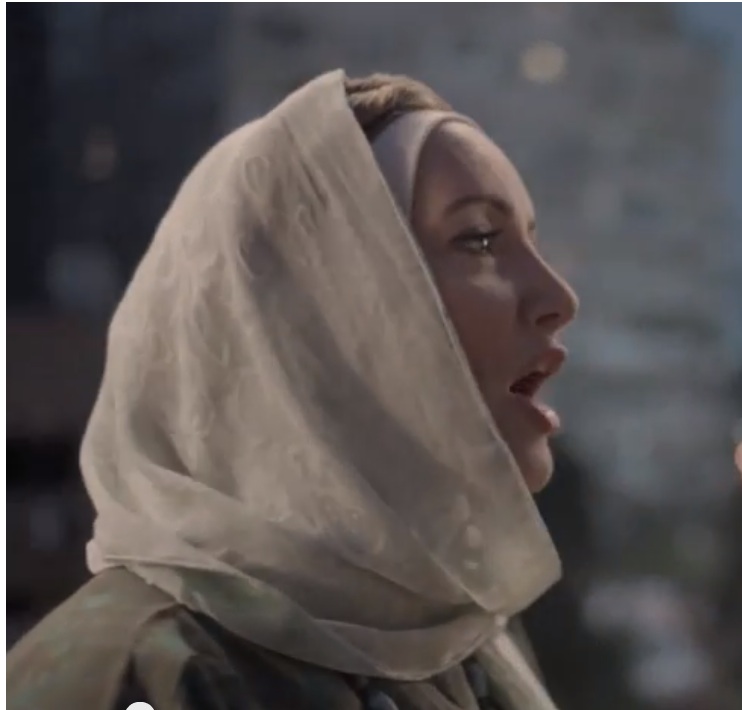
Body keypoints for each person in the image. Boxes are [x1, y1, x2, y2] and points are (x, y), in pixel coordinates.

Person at [7, 70, 580, 710]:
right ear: (310, 319)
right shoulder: (142, 675)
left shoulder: (466, 649)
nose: (558, 297)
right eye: (478, 240)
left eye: (531, 241)